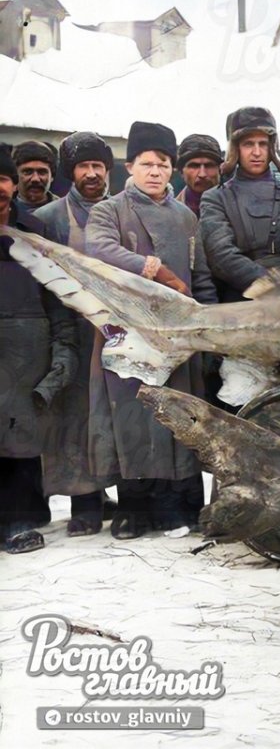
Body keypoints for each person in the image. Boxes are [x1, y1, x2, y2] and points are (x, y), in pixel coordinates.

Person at [85, 121, 218, 538]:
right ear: (129, 167)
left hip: (177, 335)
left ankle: (180, 506)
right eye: (147, 163)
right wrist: (155, 268)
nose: (156, 171)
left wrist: (207, 320)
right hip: (128, 333)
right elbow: (99, 249)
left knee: (177, 417)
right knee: (134, 418)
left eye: (163, 164)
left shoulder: (185, 216)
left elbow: (199, 275)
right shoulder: (109, 210)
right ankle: (133, 510)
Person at [33, 132, 121, 534]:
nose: (91, 174)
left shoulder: (121, 212)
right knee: (74, 417)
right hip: (71, 329)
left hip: (117, 330)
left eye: (97, 167)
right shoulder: (49, 218)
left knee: (116, 415)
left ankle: (120, 496)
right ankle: (85, 504)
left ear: (107, 171)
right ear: (71, 173)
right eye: (83, 167)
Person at [0, 145, 76, 553]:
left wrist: (64, 354)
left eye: (2, 180)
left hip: (27, 357)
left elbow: (57, 298)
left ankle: (20, 523)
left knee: (20, 440)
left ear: (11, 185)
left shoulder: (34, 233)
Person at [200, 106, 280, 301]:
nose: (257, 152)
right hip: (243, 297)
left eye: (263, 143)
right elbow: (221, 256)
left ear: (272, 147)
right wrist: (270, 284)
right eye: (248, 144)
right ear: (236, 148)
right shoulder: (216, 198)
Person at [175, 134, 224, 217]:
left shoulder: (237, 206)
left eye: (209, 166)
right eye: (194, 166)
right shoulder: (169, 214)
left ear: (220, 170)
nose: (202, 174)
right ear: (181, 172)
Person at [13, 140, 58, 209]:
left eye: (42, 172)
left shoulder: (67, 212)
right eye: (27, 172)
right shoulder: (4, 209)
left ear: (52, 176)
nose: (35, 179)